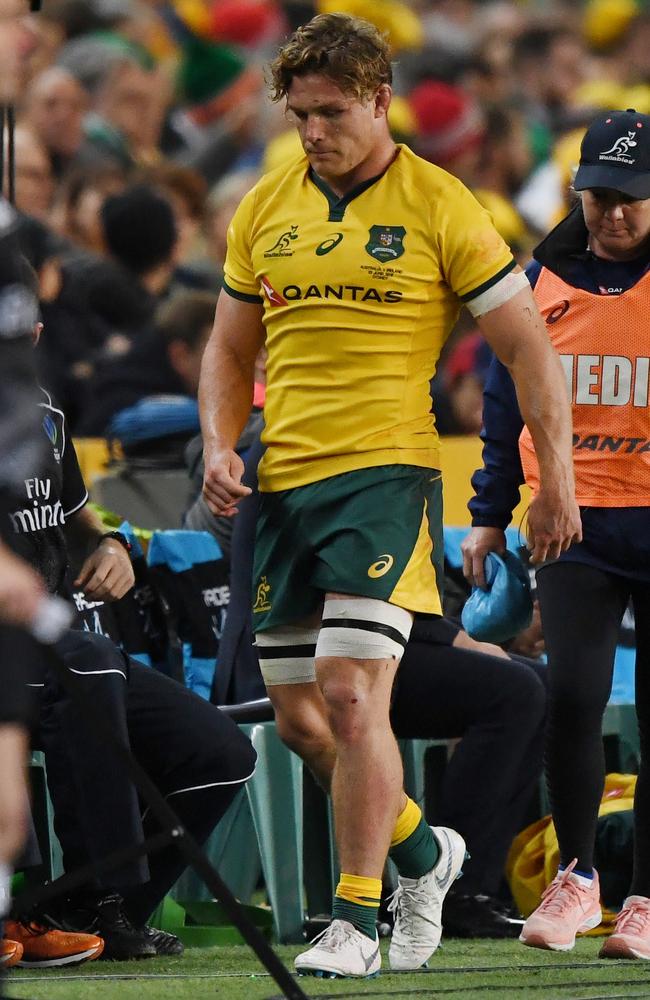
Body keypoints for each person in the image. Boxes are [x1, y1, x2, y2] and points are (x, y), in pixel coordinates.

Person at [199, 12, 580, 979]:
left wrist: (555, 479)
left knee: (351, 694)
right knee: (299, 721)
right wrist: (214, 443)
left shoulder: (441, 204)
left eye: (330, 113)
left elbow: (528, 350)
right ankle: (427, 852)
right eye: (298, 116)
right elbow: (228, 347)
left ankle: (355, 922)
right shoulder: (265, 206)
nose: (313, 132)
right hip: (282, 482)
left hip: (385, 476)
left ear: (379, 99)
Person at [3, 286, 256, 963]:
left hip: (56, 641)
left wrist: (111, 545)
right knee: (89, 660)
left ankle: (79, 910)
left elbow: (77, 526)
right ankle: (102, 902)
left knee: (221, 752)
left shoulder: (45, 415)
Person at [463, 107, 650, 960]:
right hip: (571, 522)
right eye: (601, 197)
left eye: (634, 202)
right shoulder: (535, 281)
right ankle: (578, 880)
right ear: (576, 190)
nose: (615, 216)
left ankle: (646, 899)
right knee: (573, 697)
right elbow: (504, 410)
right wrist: (487, 516)